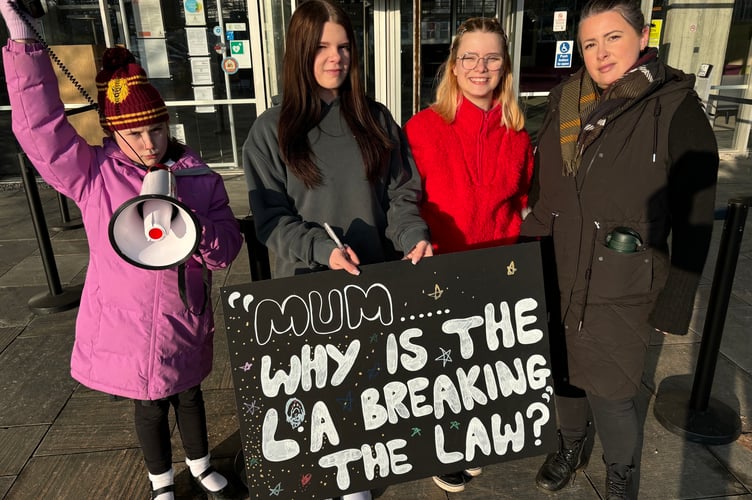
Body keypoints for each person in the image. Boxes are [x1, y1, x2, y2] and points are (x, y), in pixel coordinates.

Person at [0, 2, 244, 499]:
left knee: (190, 393)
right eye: (134, 133)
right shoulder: (94, 176)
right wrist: (26, 44)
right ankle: (161, 482)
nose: (150, 143)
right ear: (113, 132)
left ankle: (199, 465)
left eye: (156, 129)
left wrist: (195, 229)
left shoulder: (199, 179)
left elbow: (226, 251)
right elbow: (40, 132)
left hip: (185, 318)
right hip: (126, 323)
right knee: (150, 404)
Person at [519, 1, 718, 499]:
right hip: (556, 264)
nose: (601, 52)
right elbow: (545, 190)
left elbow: (695, 217)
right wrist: (526, 253)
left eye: (613, 37)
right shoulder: (566, 99)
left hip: (620, 277)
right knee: (562, 374)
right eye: (590, 43)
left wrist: (677, 296)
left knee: (612, 389)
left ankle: (621, 470)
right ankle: (569, 444)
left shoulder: (674, 105)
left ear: (640, 36)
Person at [242, 0, 431, 498]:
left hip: (374, 284)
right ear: (300, 51)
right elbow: (270, 220)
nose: (336, 58)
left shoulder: (375, 117)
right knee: (318, 401)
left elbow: (401, 195)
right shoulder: (271, 129)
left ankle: (356, 479)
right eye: (323, 46)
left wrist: (414, 238)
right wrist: (318, 250)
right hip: (308, 293)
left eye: (344, 46)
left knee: (364, 393)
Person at [403, 16, 533, 493]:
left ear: (505, 67)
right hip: (439, 266)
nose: (481, 67)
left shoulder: (518, 132)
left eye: (491, 57)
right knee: (440, 367)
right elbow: (404, 199)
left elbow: (521, 197)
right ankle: (443, 447)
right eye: (470, 58)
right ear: (454, 66)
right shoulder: (421, 127)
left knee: (481, 363)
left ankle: (474, 439)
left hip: (497, 266)